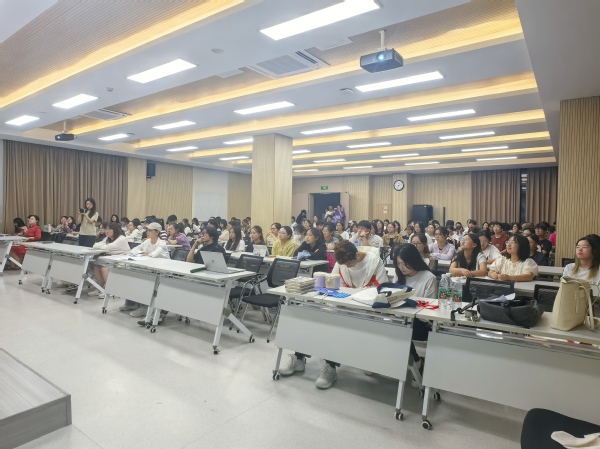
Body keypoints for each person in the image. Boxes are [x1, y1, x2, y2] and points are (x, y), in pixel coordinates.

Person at [281, 240, 387, 390]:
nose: (347, 267)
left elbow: (381, 289)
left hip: (366, 310)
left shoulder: (374, 262)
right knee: (314, 320)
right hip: (343, 306)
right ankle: (300, 358)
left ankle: (332, 366)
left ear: (357, 255)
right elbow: (334, 285)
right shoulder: (342, 263)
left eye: (349, 264)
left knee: (337, 328)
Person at [124, 222, 170, 316]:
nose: (147, 232)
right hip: (149, 269)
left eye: (150, 230)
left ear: (157, 232)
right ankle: (131, 304)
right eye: (147, 230)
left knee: (143, 281)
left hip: (162, 272)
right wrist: (142, 253)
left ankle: (144, 308)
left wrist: (146, 254)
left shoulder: (161, 243)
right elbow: (133, 250)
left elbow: (154, 255)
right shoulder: (147, 242)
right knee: (131, 276)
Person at [88, 223, 130, 298]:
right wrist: (104, 246)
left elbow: (107, 247)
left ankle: (110, 290)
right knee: (97, 266)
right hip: (111, 259)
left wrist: (103, 246)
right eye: (106, 229)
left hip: (123, 261)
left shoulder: (121, 238)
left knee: (104, 268)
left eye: (109, 229)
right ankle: (99, 289)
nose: (107, 231)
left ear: (115, 230)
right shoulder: (107, 238)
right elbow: (95, 245)